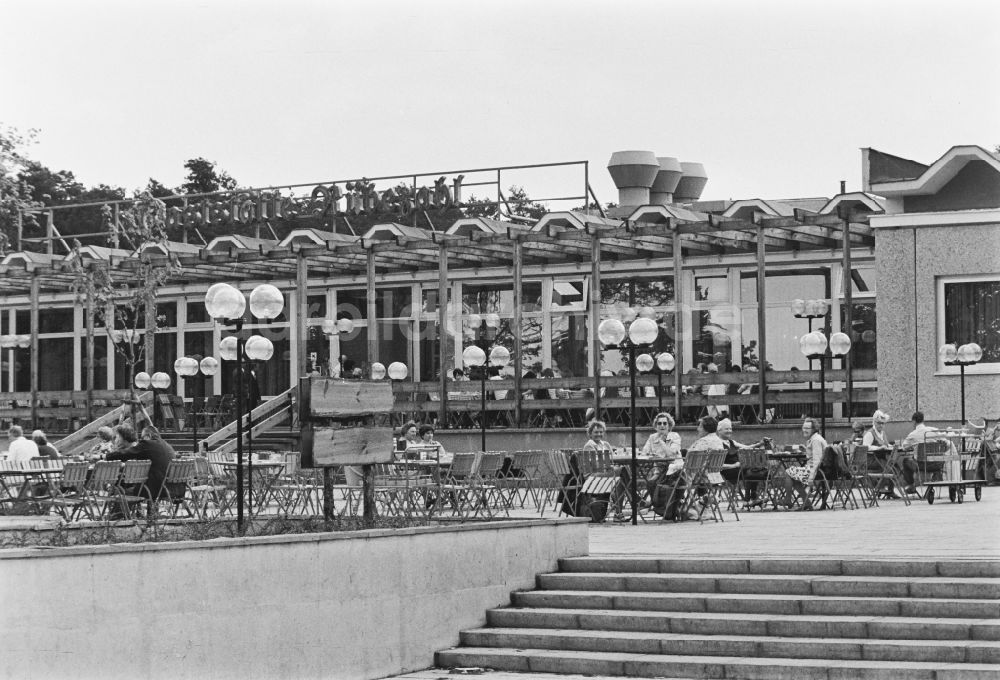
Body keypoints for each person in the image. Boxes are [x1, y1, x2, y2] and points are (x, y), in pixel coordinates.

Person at [106, 424, 178, 502]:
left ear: (148, 436)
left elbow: (126, 454)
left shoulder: (148, 444)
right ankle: (140, 513)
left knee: (120, 492)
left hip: (153, 489)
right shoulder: (168, 445)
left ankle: (120, 514)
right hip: (172, 488)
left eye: (142, 438)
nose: (141, 441)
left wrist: (104, 456)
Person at [782, 417, 827, 510]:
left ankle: (788, 499)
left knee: (788, 472)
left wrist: (811, 476)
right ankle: (806, 503)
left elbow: (817, 460)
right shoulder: (814, 439)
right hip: (816, 469)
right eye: (803, 427)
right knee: (793, 476)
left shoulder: (816, 440)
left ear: (814, 429)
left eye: (807, 428)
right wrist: (806, 449)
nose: (804, 430)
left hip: (816, 470)